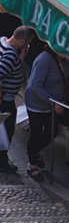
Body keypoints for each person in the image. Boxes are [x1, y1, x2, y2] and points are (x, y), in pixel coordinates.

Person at [0, 25, 33, 173]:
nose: (27, 46)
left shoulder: (0, 41)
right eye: (27, 44)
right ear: (22, 41)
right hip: (1, 98)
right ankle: (0, 162)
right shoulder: (10, 54)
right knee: (6, 129)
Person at [25, 44, 68, 181]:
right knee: (36, 134)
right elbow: (35, 85)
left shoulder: (63, 61)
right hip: (37, 104)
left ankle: (34, 151)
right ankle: (32, 165)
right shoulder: (44, 60)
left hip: (52, 105)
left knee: (51, 133)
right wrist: (53, 102)